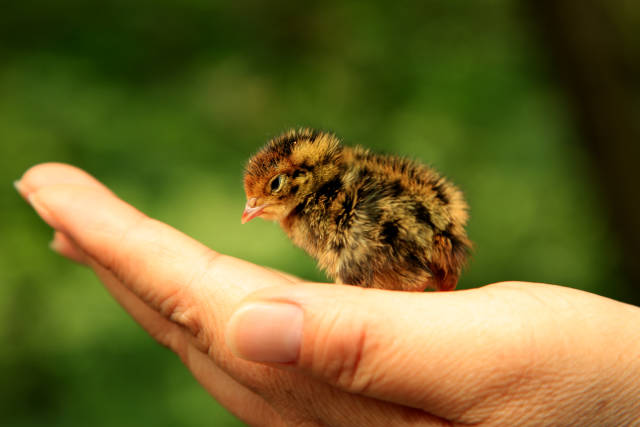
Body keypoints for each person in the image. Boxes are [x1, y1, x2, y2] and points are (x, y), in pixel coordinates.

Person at [16, 163, 640, 426]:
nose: (256, 206)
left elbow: (397, 230)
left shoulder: (344, 207)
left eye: (272, 190)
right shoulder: (335, 198)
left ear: (308, 182)